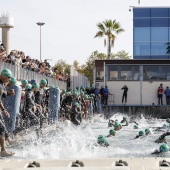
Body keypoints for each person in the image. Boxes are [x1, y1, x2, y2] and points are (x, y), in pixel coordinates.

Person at [0, 69, 15, 156]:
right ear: (3, 76)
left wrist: (9, 93)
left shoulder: (2, 84)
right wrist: (3, 110)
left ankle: (4, 147)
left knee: (2, 127)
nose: (9, 80)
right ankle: (3, 150)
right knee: (1, 128)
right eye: (8, 78)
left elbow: (3, 94)